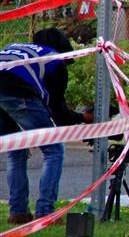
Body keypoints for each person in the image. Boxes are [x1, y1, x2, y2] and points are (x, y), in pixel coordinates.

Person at [0, 28, 92, 225]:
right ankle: (45, 213)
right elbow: (57, 112)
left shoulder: (14, 47)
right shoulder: (55, 60)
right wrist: (83, 118)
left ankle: (18, 213)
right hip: (17, 93)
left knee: (16, 149)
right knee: (54, 150)